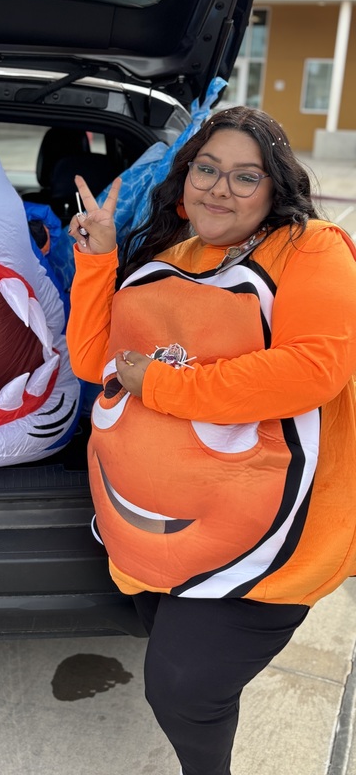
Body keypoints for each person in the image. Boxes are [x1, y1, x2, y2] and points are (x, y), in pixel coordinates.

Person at [65, 105, 356, 775]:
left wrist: (161, 384)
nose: (219, 188)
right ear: (185, 175)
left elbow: (313, 369)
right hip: (147, 532)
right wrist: (97, 259)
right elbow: (95, 364)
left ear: (276, 187)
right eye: (207, 169)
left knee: (184, 690)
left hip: (275, 546)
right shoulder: (172, 256)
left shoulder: (311, 248)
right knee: (175, 663)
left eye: (244, 177)